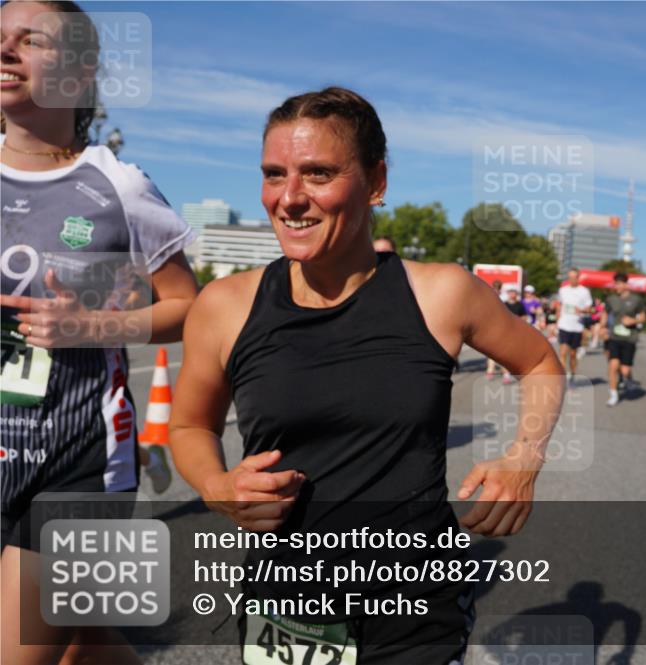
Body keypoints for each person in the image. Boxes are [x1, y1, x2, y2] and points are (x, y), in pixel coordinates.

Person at [169, 86, 564, 664]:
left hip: (413, 614)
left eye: (319, 173)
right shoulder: (224, 306)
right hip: (284, 611)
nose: (290, 198)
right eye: (274, 174)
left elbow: (540, 362)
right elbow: (187, 428)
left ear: (376, 181)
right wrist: (216, 486)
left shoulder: (441, 294)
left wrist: (524, 458)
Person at [0, 2, 198, 662]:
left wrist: (93, 323)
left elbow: (186, 307)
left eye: (30, 41)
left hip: (80, 462)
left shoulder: (119, 186)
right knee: (86, 640)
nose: (6, 51)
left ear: (81, 74)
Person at [601, 272, 646, 406]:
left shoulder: (636, 299)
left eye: (619, 284)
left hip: (629, 338)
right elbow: (605, 312)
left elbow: (643, 317)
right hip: (614, 337)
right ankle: (613, 394)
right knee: (613, 366)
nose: (616, 287)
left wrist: (633, 320)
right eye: (615, 284)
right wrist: (603, 326)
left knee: (625, 369)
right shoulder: (611, 299)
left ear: (626, 284)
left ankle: (627, 378)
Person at [554, 267, 593, 385]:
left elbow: (590, 309)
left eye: (574, 277)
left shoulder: (584, 291)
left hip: (577, 326)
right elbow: (559, 305)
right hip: (563, 325)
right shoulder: (563, 290)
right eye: (569, 277)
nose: (571, 279)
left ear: (578, 278)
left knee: (572, 354)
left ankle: (572, 374)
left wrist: (582, 310)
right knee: (563, 352)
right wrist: (557, 320)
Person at [501, 287, 529, 384]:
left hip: (516, 331)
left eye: (514, 292)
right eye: (510, 292)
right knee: (504, 354)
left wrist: (520, 322)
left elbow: (524, 317)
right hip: (505, 331)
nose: (512, 294)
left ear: (516, 294)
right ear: (508, 293)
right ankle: (506, 374)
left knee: (516, 354)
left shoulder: (520, 305)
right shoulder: (504, 304)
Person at [485, 278, 504, 378]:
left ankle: (500, 369)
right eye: (495, 287)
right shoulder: (488, 296)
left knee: (499, 350)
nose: (496, 289)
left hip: (500, 327)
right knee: (492, 350)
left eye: (498, 288)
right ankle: (490, 369)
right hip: (491, 326)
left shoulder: (503, 298)